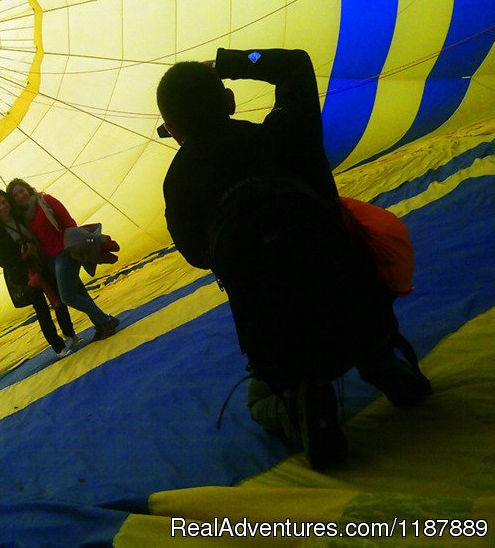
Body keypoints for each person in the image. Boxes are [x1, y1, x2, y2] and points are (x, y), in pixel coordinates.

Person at [157, 48, 430, 468]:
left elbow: (197, 255)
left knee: (258, 397)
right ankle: (383, 363)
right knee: (350, 301)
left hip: (281, 344)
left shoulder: (178, 185)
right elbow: (296, 64)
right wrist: (226, 64)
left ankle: (301, 406)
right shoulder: (286, 134)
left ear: (173, 130)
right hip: (358, 311)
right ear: (229, 101)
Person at [6, 179, 120, 341]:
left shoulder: (45, 201)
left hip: (64, 254)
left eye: (21, 191)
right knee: (80, 293)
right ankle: (102, 325)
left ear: (28, 189)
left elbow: (68, 222)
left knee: (67, 296)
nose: (20, 196)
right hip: (50, 259)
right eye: (15, 195)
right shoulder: (24, 218)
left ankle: (105, 320)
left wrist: (73, 245)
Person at [0, 188, 80, 357]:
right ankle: (58, 347)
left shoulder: (20, 217)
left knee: (58, 299)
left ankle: (69, 333)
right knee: (42, 309)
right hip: (24, 275)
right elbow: (2, 261)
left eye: (4, 202)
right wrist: (22, 257)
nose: (2, 206)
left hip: (40, 264)